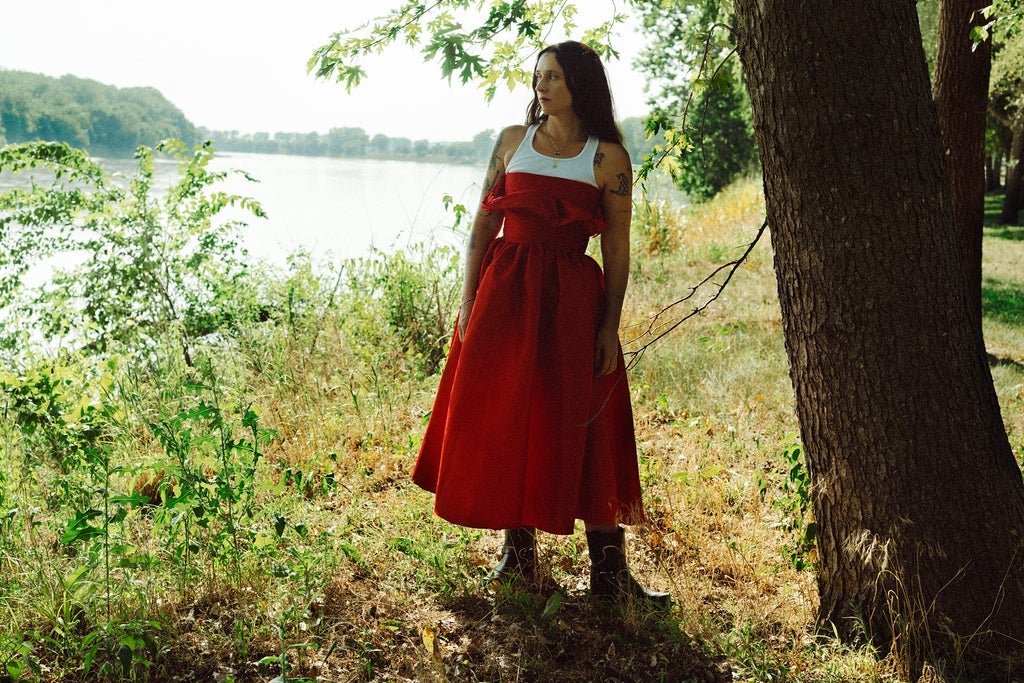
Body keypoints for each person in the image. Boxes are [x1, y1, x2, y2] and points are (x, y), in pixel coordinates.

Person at [412, 41, 668, 607]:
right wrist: (467, 300)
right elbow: (482, 230)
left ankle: (608, 573)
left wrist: (609, 327)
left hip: (574, 300)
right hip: (507, 295)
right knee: (511, 414)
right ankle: (517, 557)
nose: (540, 86)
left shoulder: (608, 159)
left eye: (552, 76)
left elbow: (618, 252)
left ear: (580, 84)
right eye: (537, 77)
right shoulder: (511, 142)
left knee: (586, 419)